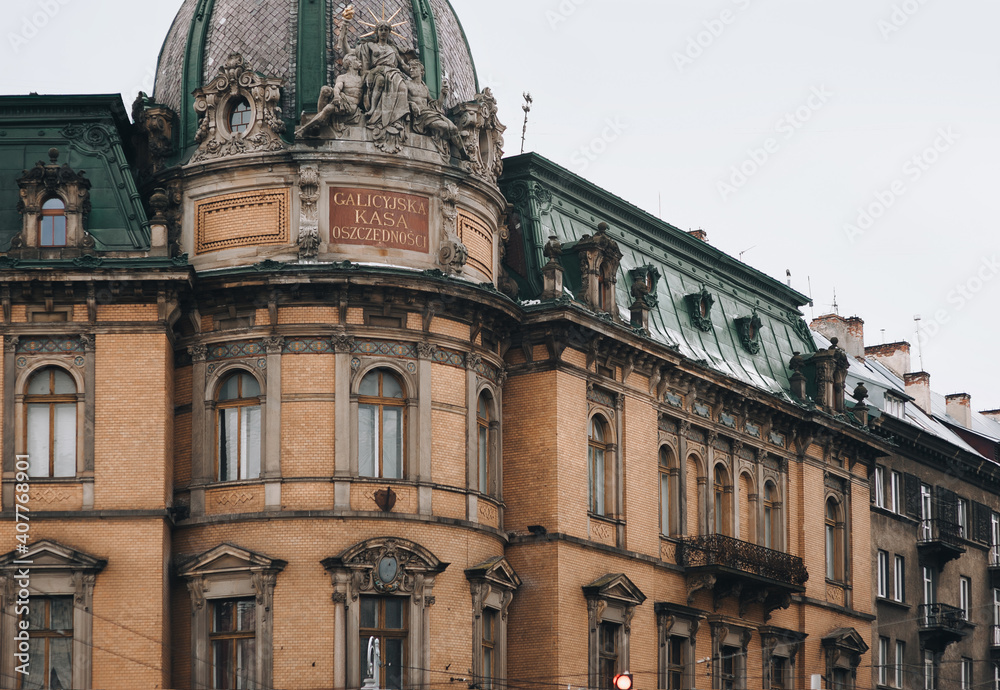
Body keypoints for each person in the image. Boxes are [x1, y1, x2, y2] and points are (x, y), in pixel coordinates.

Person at [405, 59, 468, 159]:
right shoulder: (407, 84)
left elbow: (434, 104)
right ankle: (447, 141)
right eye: (410, 68)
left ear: (421, 71)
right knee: (444, 126)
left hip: (429, 113)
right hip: (420, 116)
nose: (411, 70)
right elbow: (400, 99)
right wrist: (411, 103)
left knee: (454, 128)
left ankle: (463, 153)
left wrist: (442, 94)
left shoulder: (424, 87)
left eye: (414, 68)